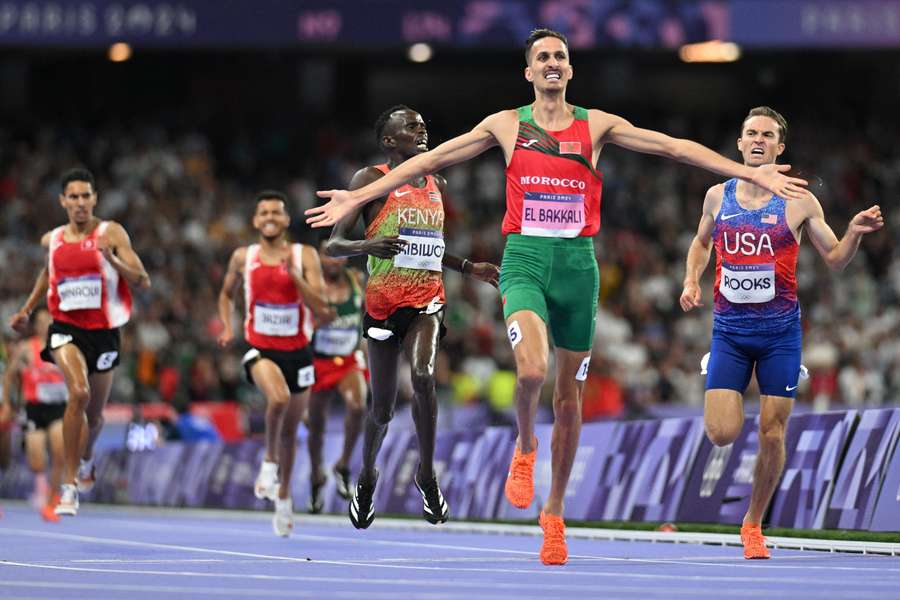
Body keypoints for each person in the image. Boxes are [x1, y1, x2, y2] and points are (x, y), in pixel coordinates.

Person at [305, 29, 807, 565]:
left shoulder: (598, 125)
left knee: (569, 399)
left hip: (577, 267)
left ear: (569, 71)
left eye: (560, 57)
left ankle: (555, 515)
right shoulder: (506, 123)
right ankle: (524, 447)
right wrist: (359, 195)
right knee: (530, 371)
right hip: (525, 259)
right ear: (528, 72)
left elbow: (673, 147)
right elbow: (431, 161)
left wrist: (751, 174)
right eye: (542, 56)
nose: (551, 62)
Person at [679, 106, 883, 559]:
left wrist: (853, 232)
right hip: (729, 332)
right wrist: (692, 278)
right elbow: (700, 241)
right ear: (739, 143)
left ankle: (752, 523)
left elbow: (835, 259)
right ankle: (721, 373)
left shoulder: (799, 201)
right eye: (750, 133)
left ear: (779, 147)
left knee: (773, 431)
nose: (757, 140)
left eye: (767, 135)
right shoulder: (717, 195)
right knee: (721, 433)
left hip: (779, 335)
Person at [324, 105, 499, 530]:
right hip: (382, 305)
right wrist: (368, 247)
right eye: (411, 125)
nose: (422, 128)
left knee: (423, 376)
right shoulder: (370, 180)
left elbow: (432, 247)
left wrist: (467, 268)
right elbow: (333, 245)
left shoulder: (437, 181)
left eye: (423, 123)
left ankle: (427, 474)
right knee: (381, 410)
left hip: (427, 301)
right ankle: (366, 477)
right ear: (389, 140)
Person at [9, 167, 150, 517]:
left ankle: (86, 459)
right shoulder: (52, 239)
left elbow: (142, 279)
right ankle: (68, 487)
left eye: (86, 195)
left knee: (95, 415)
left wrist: (111, 258)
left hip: (103, 333)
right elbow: (48, 272)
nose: (80, 202)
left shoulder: (111, 232)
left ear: (94, 199)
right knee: (79, 392)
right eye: (73, 196)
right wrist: (27, 309)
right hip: (65, 328)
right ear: (63, 201)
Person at [217, 190, 333, 537]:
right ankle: (267, 464)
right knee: (278, 399)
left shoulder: (304, 255)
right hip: (260, 349)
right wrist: (226, 324)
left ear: (285, 220)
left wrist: (295, 278)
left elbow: (322, 306)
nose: (269, 217)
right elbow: (225, 294)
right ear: (255, 220)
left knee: (290, 433)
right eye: (263, 212)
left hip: (298, 352)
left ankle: (283, 498)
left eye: (276, 212)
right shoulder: (243, 257)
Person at [306, 240, 369, 513]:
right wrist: (318, 321)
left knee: (358, 405)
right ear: (319, 258)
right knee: (316, 426)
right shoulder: (310, 286)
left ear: (345, 258)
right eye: (327, 256)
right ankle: (316, 475)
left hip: (348, 361)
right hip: (318, 362)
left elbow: (368, 313)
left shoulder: (357, 281)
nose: (332, 261)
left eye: (337, 255)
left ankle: (342, 465)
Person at [2, 308, 68, 521]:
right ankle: (43, 487)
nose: (44, 324)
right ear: (35, 325)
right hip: (33, 409)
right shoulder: (25, 349)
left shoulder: (64, 347)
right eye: (40, 321)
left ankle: (51, 498)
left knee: (59, 451)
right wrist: (8, 403)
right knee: (36, 461)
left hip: (58, 407)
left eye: (48, 320)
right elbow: (9, 376)